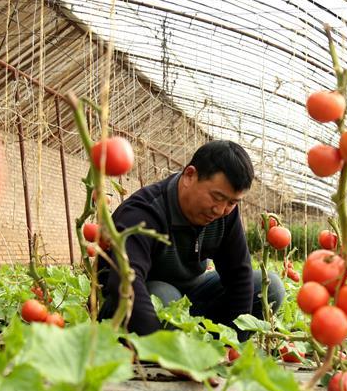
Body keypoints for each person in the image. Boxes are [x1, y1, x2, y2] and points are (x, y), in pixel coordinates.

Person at [96, 140, 285, 336]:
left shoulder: (225, 214)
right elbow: (126, 285)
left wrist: (233, 343)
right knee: (163, 295)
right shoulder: (143, 213)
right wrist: (165, 351)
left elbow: (239, 274)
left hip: (190, 297)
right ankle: (168, 348)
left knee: (270, 287)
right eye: (217, 197)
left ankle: (200, 345)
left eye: (231, 202)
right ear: (189, 175)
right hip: (135, 308)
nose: (220, 210)